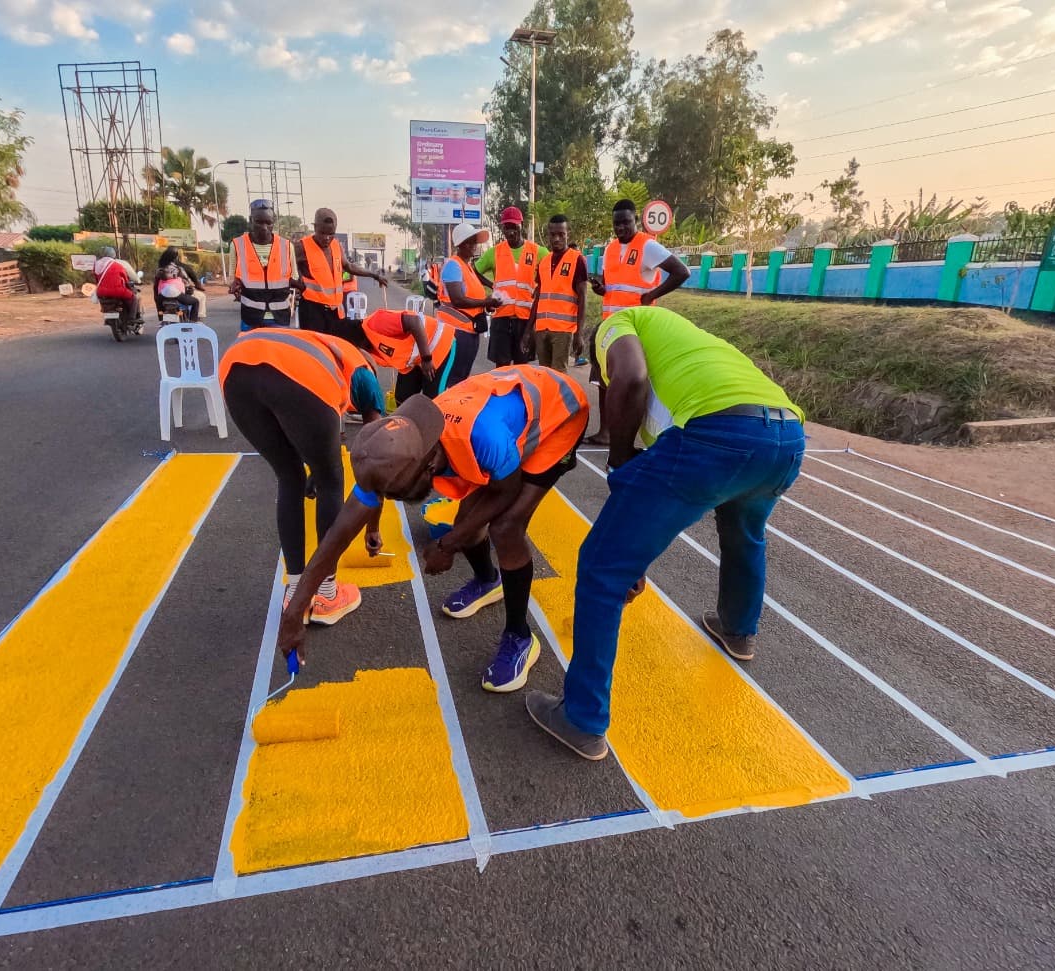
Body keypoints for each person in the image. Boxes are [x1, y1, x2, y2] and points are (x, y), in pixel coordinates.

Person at [524, 306, 806, 761]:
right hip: (786, 438)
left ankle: (582, 718)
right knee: (745, 532)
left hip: (717, 434)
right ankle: (737, 630)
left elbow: (630, 379)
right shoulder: (691, 349)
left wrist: (616, 462)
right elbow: (662, 492)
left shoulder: (617, 324)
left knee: (601, 568)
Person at [279, 365, 589, 692]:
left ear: (429, 469)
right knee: (468, 517)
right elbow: (338, 534)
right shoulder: (406, 433)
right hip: (504, 412)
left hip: (559, 414)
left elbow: (506, 491)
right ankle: (488, 581)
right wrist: (294, 610)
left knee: (505, 527)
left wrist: (448, 546)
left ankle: (520, 636)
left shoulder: (482, 438)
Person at [220, 328, 388, 625]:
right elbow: (377, 455)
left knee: (289, 477)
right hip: (297, 377)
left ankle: (295, 590)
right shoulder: (365, 375)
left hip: (235, 368)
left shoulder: (325, 348)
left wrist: (317, 462)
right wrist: (372, 525)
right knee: (332, 481)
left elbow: (320, 424)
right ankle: (326, 592)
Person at [586, 199, 691, 445]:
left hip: (635, 328)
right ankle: (605, 432)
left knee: (633, 384)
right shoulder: (610, 248)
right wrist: (600, 288)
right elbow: (611, 284)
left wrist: (652, 295)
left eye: (625, 222)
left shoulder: (647, 246)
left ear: (635, 220)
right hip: (610, 324)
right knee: (604, 380)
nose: (621, 227)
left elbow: (681, 272)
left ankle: (632, 436)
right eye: (616, 223)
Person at [296, 207, 389, 344]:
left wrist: (374, 275)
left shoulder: (336, 246)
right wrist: (297, 284)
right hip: (312, 311)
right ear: (315, 227)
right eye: (322, 233)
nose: (327, 238)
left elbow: (349, 266)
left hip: (334, 312)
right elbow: (284, 267)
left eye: (331, 234)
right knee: (316, 351)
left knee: (339, 347)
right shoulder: (301, 247)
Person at [477, 207, 546, 367]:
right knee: (502, 368)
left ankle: (520, 393)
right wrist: (491, 285)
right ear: (503, 228)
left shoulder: (537, 252)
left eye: (514, 227)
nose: (511, 232)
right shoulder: (495, 252)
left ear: (522, 225)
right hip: (501, 319)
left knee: (522, 368)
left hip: (525, 321)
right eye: (507, 227)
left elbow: (551, 270)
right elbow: (474, 271)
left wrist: (541, 286)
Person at [438, 223, 502, 388]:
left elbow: (473, 298)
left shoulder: (468, 267)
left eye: (475, 242)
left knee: (462, 377)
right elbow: (458, 300)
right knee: (451, 378)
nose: (474, 246)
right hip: (455, 333)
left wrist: (487, 305)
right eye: (470, 242)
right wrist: (486, 302)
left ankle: (455, 411)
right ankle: (444, 410)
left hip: (469, 332)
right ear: (460, 244)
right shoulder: (454, 265)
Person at [524, 214, 587, 371]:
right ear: (548, 235)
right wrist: (528, 331)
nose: (557, 239)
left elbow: (583, 298)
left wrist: (579, 333)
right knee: (544, 375)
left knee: (558, 376)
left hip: (563, 331)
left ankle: (559, 397)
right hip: (541, 330)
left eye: (561, 234)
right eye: (553, 235)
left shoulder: (577, 260)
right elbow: (538, 298)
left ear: (568, 234)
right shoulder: (544, 262)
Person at [355, 307, 456, 403]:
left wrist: (426, 359)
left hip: (438, 346)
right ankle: (409, 420)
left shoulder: (376, 322)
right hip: (413, 361)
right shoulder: (366, 351)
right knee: (402, 397)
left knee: (432, 400)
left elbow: (415, 322)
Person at [229, 200, 302, 330]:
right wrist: (235, 286)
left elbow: (294, 277)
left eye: (268, 223)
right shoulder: (237, 245)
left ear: (273, 222)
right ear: (251, 220)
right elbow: (232, 278)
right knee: (251, 350)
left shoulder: (286, 246)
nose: (264, 227)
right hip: (251, 317)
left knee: (277, 350)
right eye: (259, 222)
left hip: (279, 317)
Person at [94, 247, 142, 325]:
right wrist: (131, 285)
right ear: (114, 255)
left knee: (103, 302)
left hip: (101, 292)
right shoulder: (118, 264)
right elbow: (126, 279)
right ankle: (132, 318)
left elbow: (96, 279)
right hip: (118, 291)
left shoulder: (97, 264)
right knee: (134, 299)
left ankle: (108, 317)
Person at [154, 246, 202, 322]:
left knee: (159, 308)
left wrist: (156, 298)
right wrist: (191, 286)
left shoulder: (159, 270)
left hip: (162, 294)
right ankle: (193, 322)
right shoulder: (179, 269)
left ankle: (161, 320)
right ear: (176, 257)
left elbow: (155, 285)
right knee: (195, 302)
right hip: (177, 294)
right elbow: (187, 282)